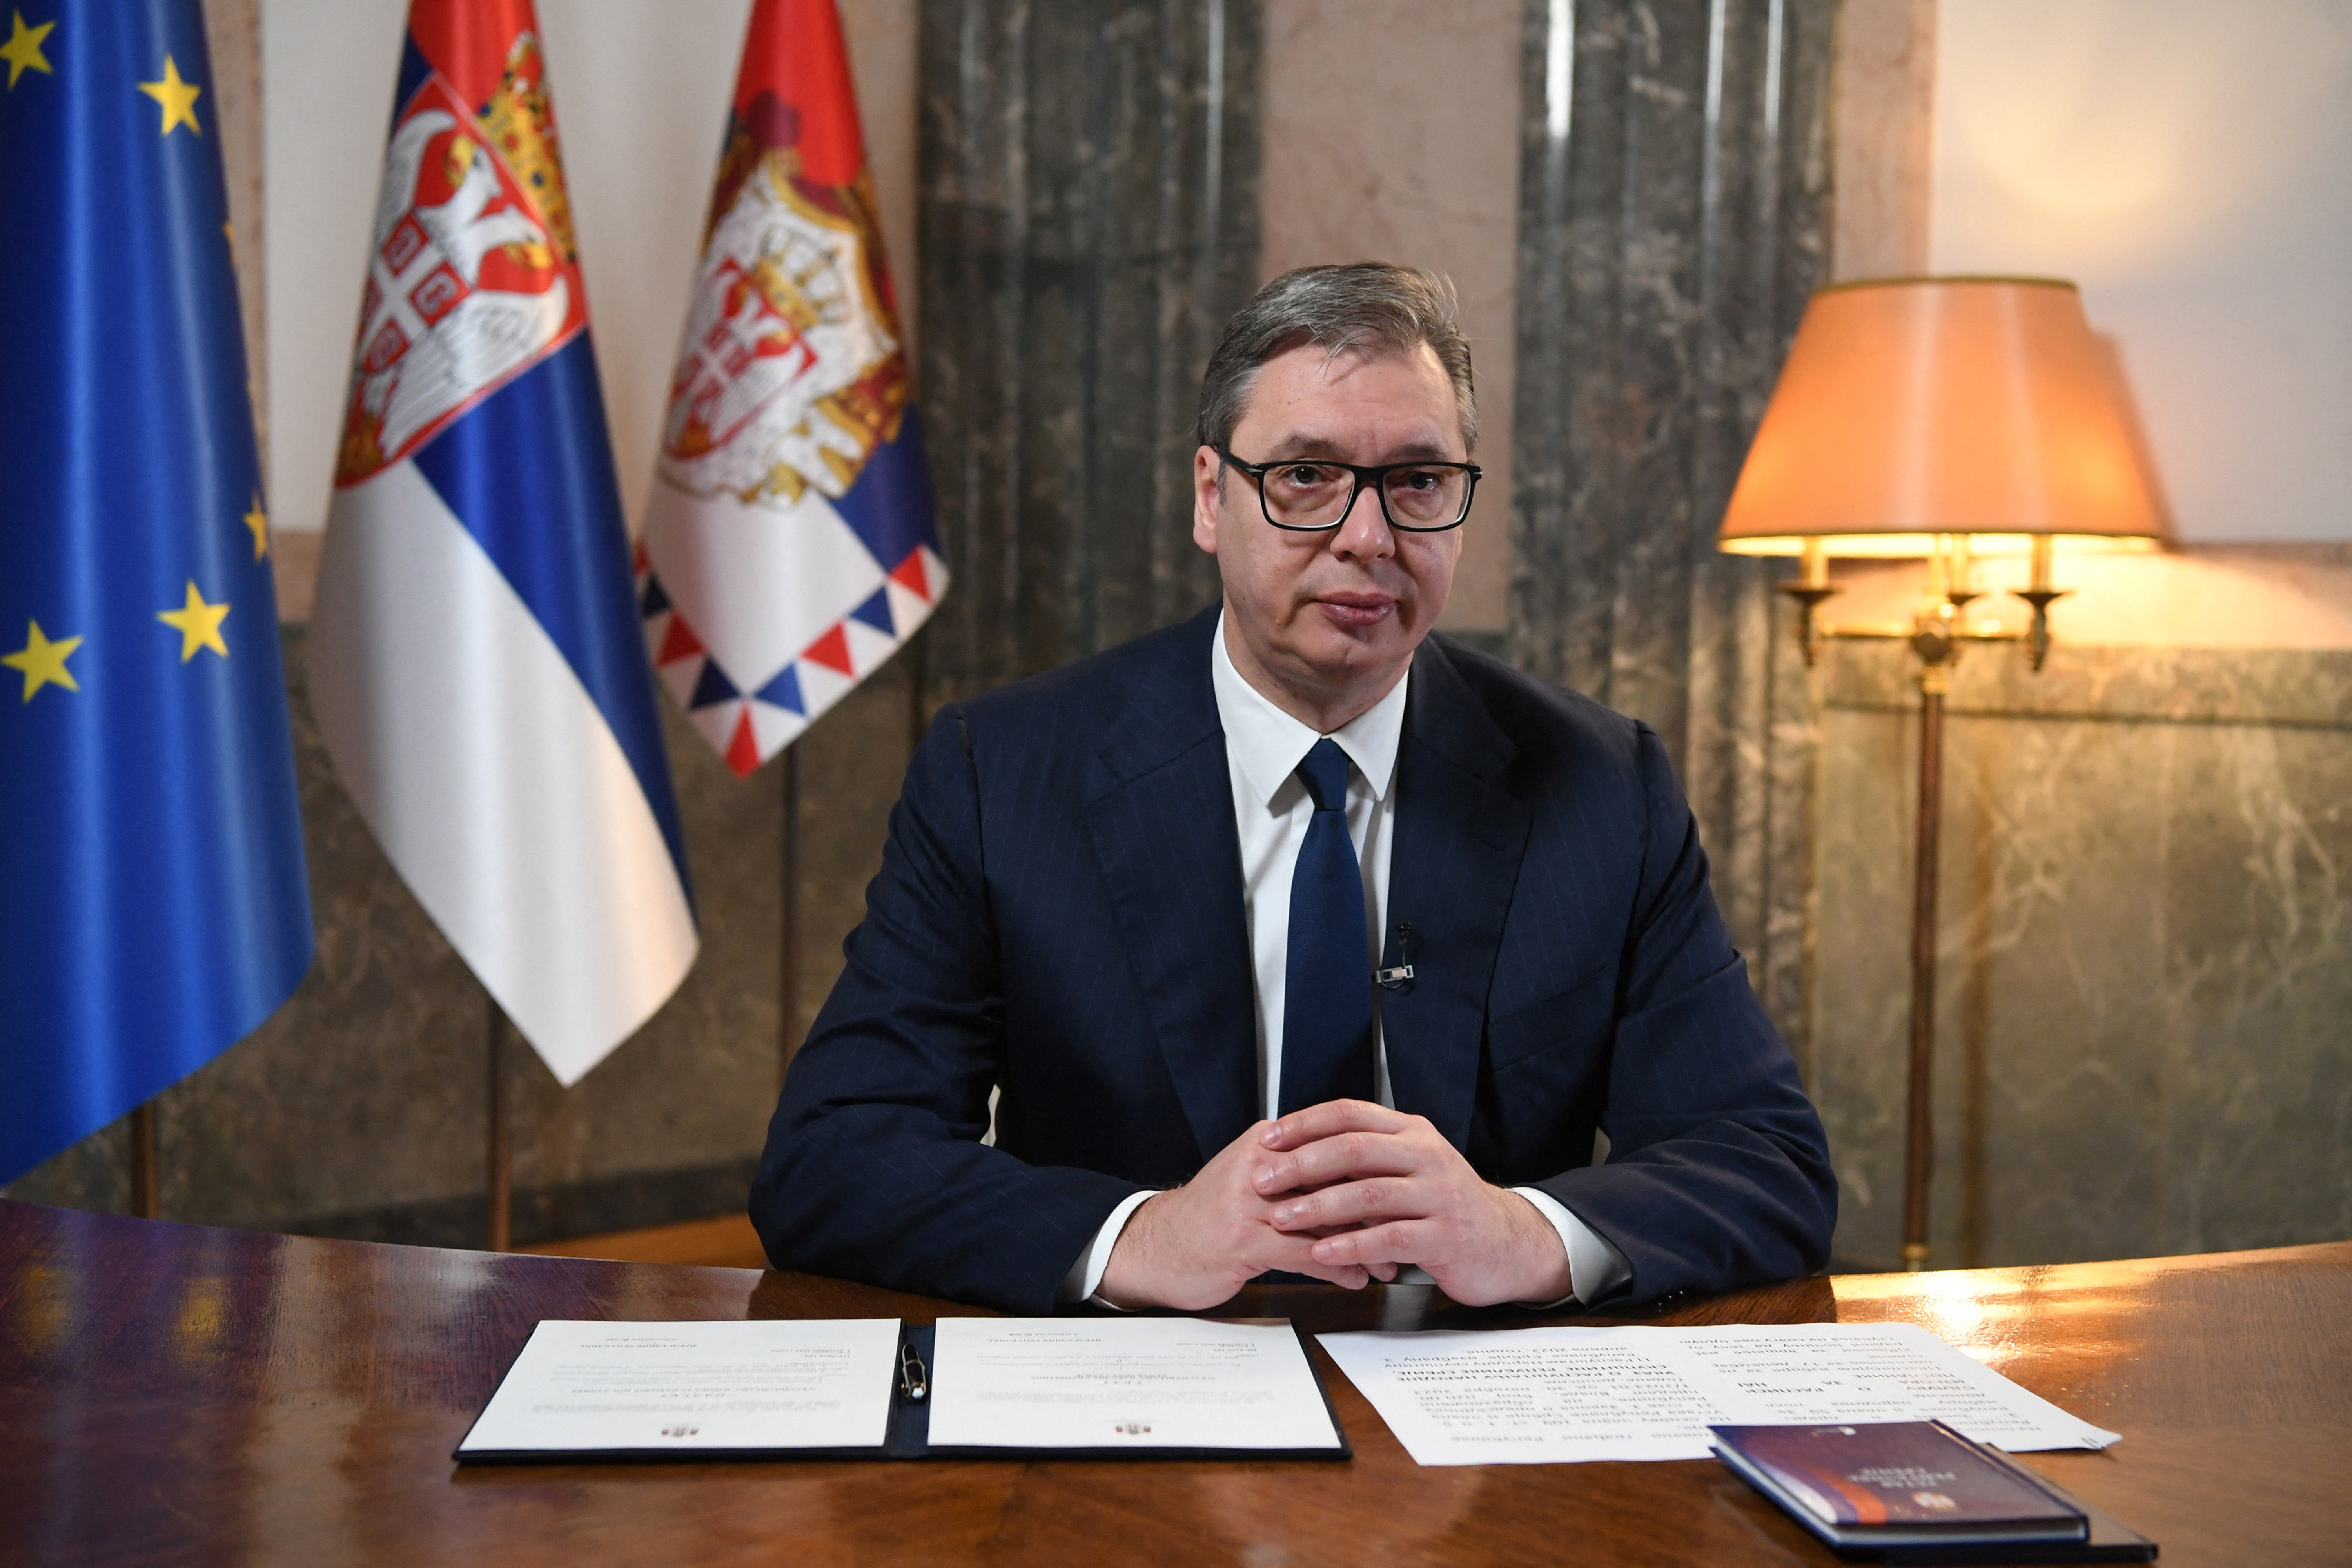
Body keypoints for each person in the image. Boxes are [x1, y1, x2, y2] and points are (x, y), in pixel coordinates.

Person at [752, 263, 1835, 1314]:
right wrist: (1141, 1236)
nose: (1367, 539)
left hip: (1475, 1430)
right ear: (1212, 497)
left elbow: (1765, 1162)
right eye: (1306, 476)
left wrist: (1518, 1232)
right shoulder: (1005, 772)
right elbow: (834, 1158)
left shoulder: (1601, 785)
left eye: (1416, 482)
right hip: (1127, 1420)